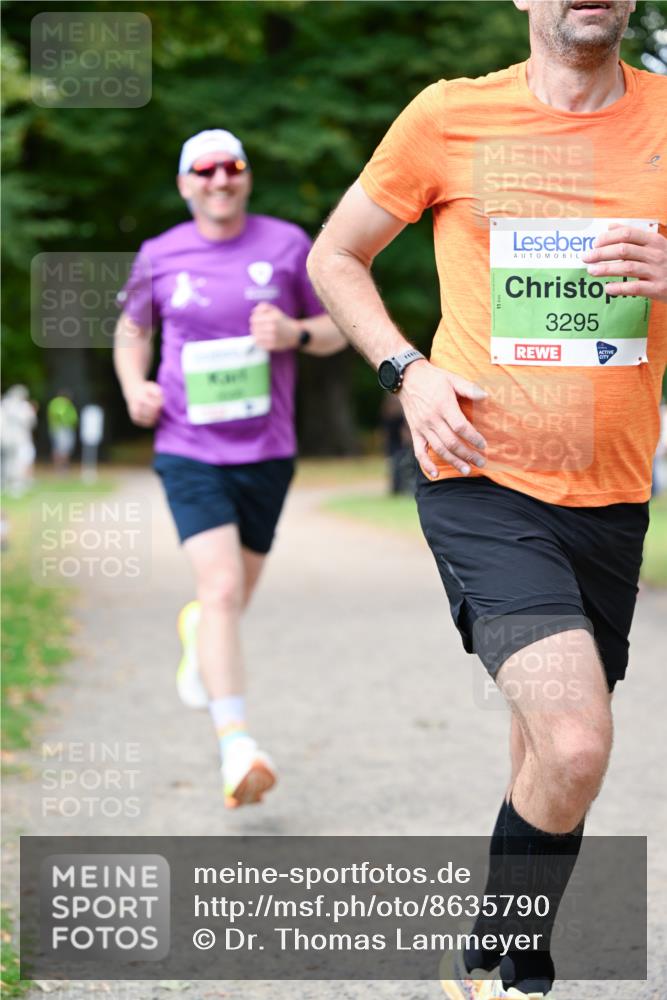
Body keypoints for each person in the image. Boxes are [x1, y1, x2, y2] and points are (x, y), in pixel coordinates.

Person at [308, 1, 666, 997]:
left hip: (611, 494)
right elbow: (334, 257)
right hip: (481, 478)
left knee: (544, 752)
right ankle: (504, 970)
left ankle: (502, 940)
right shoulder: (447, 116)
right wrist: (406, 371)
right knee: (576, 738)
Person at [113, 129, 345, 809]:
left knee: (228, 599)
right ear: (185, 184)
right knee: (218, 590)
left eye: (232, 167)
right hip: (187, 447)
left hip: (266, 452)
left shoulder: (287, 244)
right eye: (204, 170)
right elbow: (132, 331)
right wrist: (135, 388)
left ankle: (196, 634)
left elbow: (336, 325)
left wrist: (296, 334)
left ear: (246, 178)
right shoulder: (159, 254)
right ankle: (235, 742)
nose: (219, 179)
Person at [1, 385, 37, 495]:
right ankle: (15, 484)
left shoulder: (5, 404)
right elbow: (31, 421)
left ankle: (6, 483)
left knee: (7, 461)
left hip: (6, 438)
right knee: (16, 461)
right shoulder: (23, 406)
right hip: (18, 438)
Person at [47, 390, 78, 471]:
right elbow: (59, 415)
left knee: (66, 448)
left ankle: (64, 466)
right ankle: (59, 467)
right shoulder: (58, 403)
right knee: (59, 448)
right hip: (60, 428)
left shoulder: (68, 405)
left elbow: (73, 417)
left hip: (67, 429)